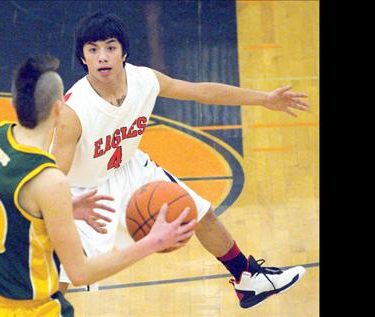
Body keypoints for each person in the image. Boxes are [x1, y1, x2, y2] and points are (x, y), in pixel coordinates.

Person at [51, 12, 309, 309]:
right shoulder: (73, 112)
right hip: (83, 192)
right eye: (92, 50)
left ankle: (247, 278)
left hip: (131, 169)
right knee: (62, 276)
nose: (102, 57)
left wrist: (264, 99)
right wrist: (60, 209)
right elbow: (54, 174)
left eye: (110, 47)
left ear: (124, 52)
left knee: (200, 213)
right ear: (83, 58)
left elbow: (202, 92)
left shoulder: (145, 80)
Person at [0, 55, 196, 317]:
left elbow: (9, 202)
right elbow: (81, 272)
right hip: (27, 310)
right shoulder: (50, 181)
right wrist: (152, 242)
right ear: (59, 109)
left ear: (13, 102)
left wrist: (62, 209)